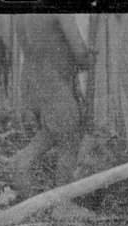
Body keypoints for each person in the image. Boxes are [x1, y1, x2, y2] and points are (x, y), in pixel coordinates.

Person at [10, 15, 92, 198]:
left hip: (32, 79)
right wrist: (89, 58)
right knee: (70, 138)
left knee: (54, 130)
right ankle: (62, 205)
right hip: (52, 82)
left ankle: (21, 161)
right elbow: (79, 52)